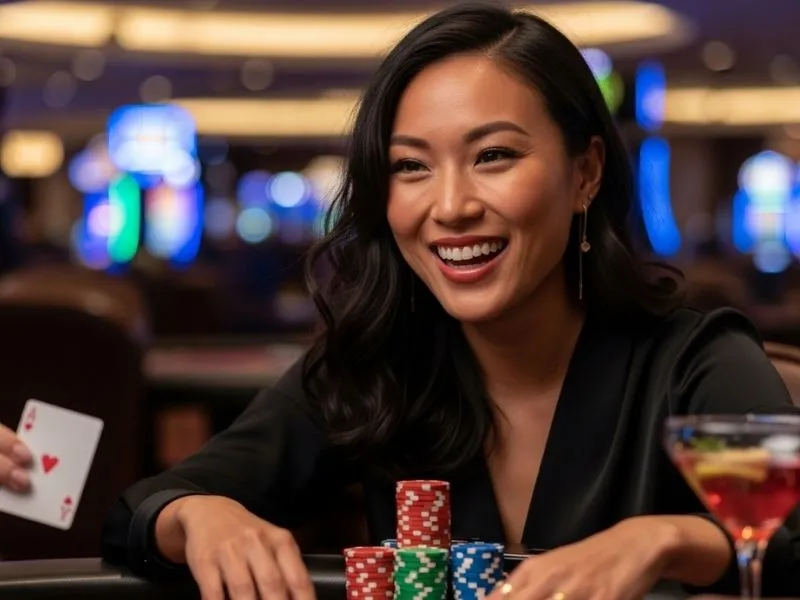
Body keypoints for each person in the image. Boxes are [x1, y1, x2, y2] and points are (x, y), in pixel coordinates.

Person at [2, 3, 799, 599]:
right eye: (412, 167)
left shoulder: (694, 363)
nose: (448, 206)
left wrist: (670, 539)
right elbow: (140, 511)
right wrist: (199, 516)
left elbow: (791, 544)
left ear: (585, 172)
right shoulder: (381, 366)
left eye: (493, 156)